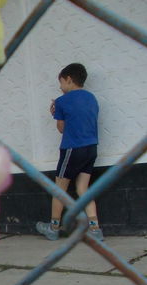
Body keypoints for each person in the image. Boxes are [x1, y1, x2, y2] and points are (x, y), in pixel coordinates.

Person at [36, 63, 103, 241]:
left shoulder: (61, 101)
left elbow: (61, 129)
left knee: (59, 189)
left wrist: (55, 112)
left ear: (69, 79)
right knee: (83, 189)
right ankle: (95, 229)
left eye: (61, 83)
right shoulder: (92, 98)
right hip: (91, 148)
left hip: (72, 149)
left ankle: (53, 227)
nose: (60, 87)